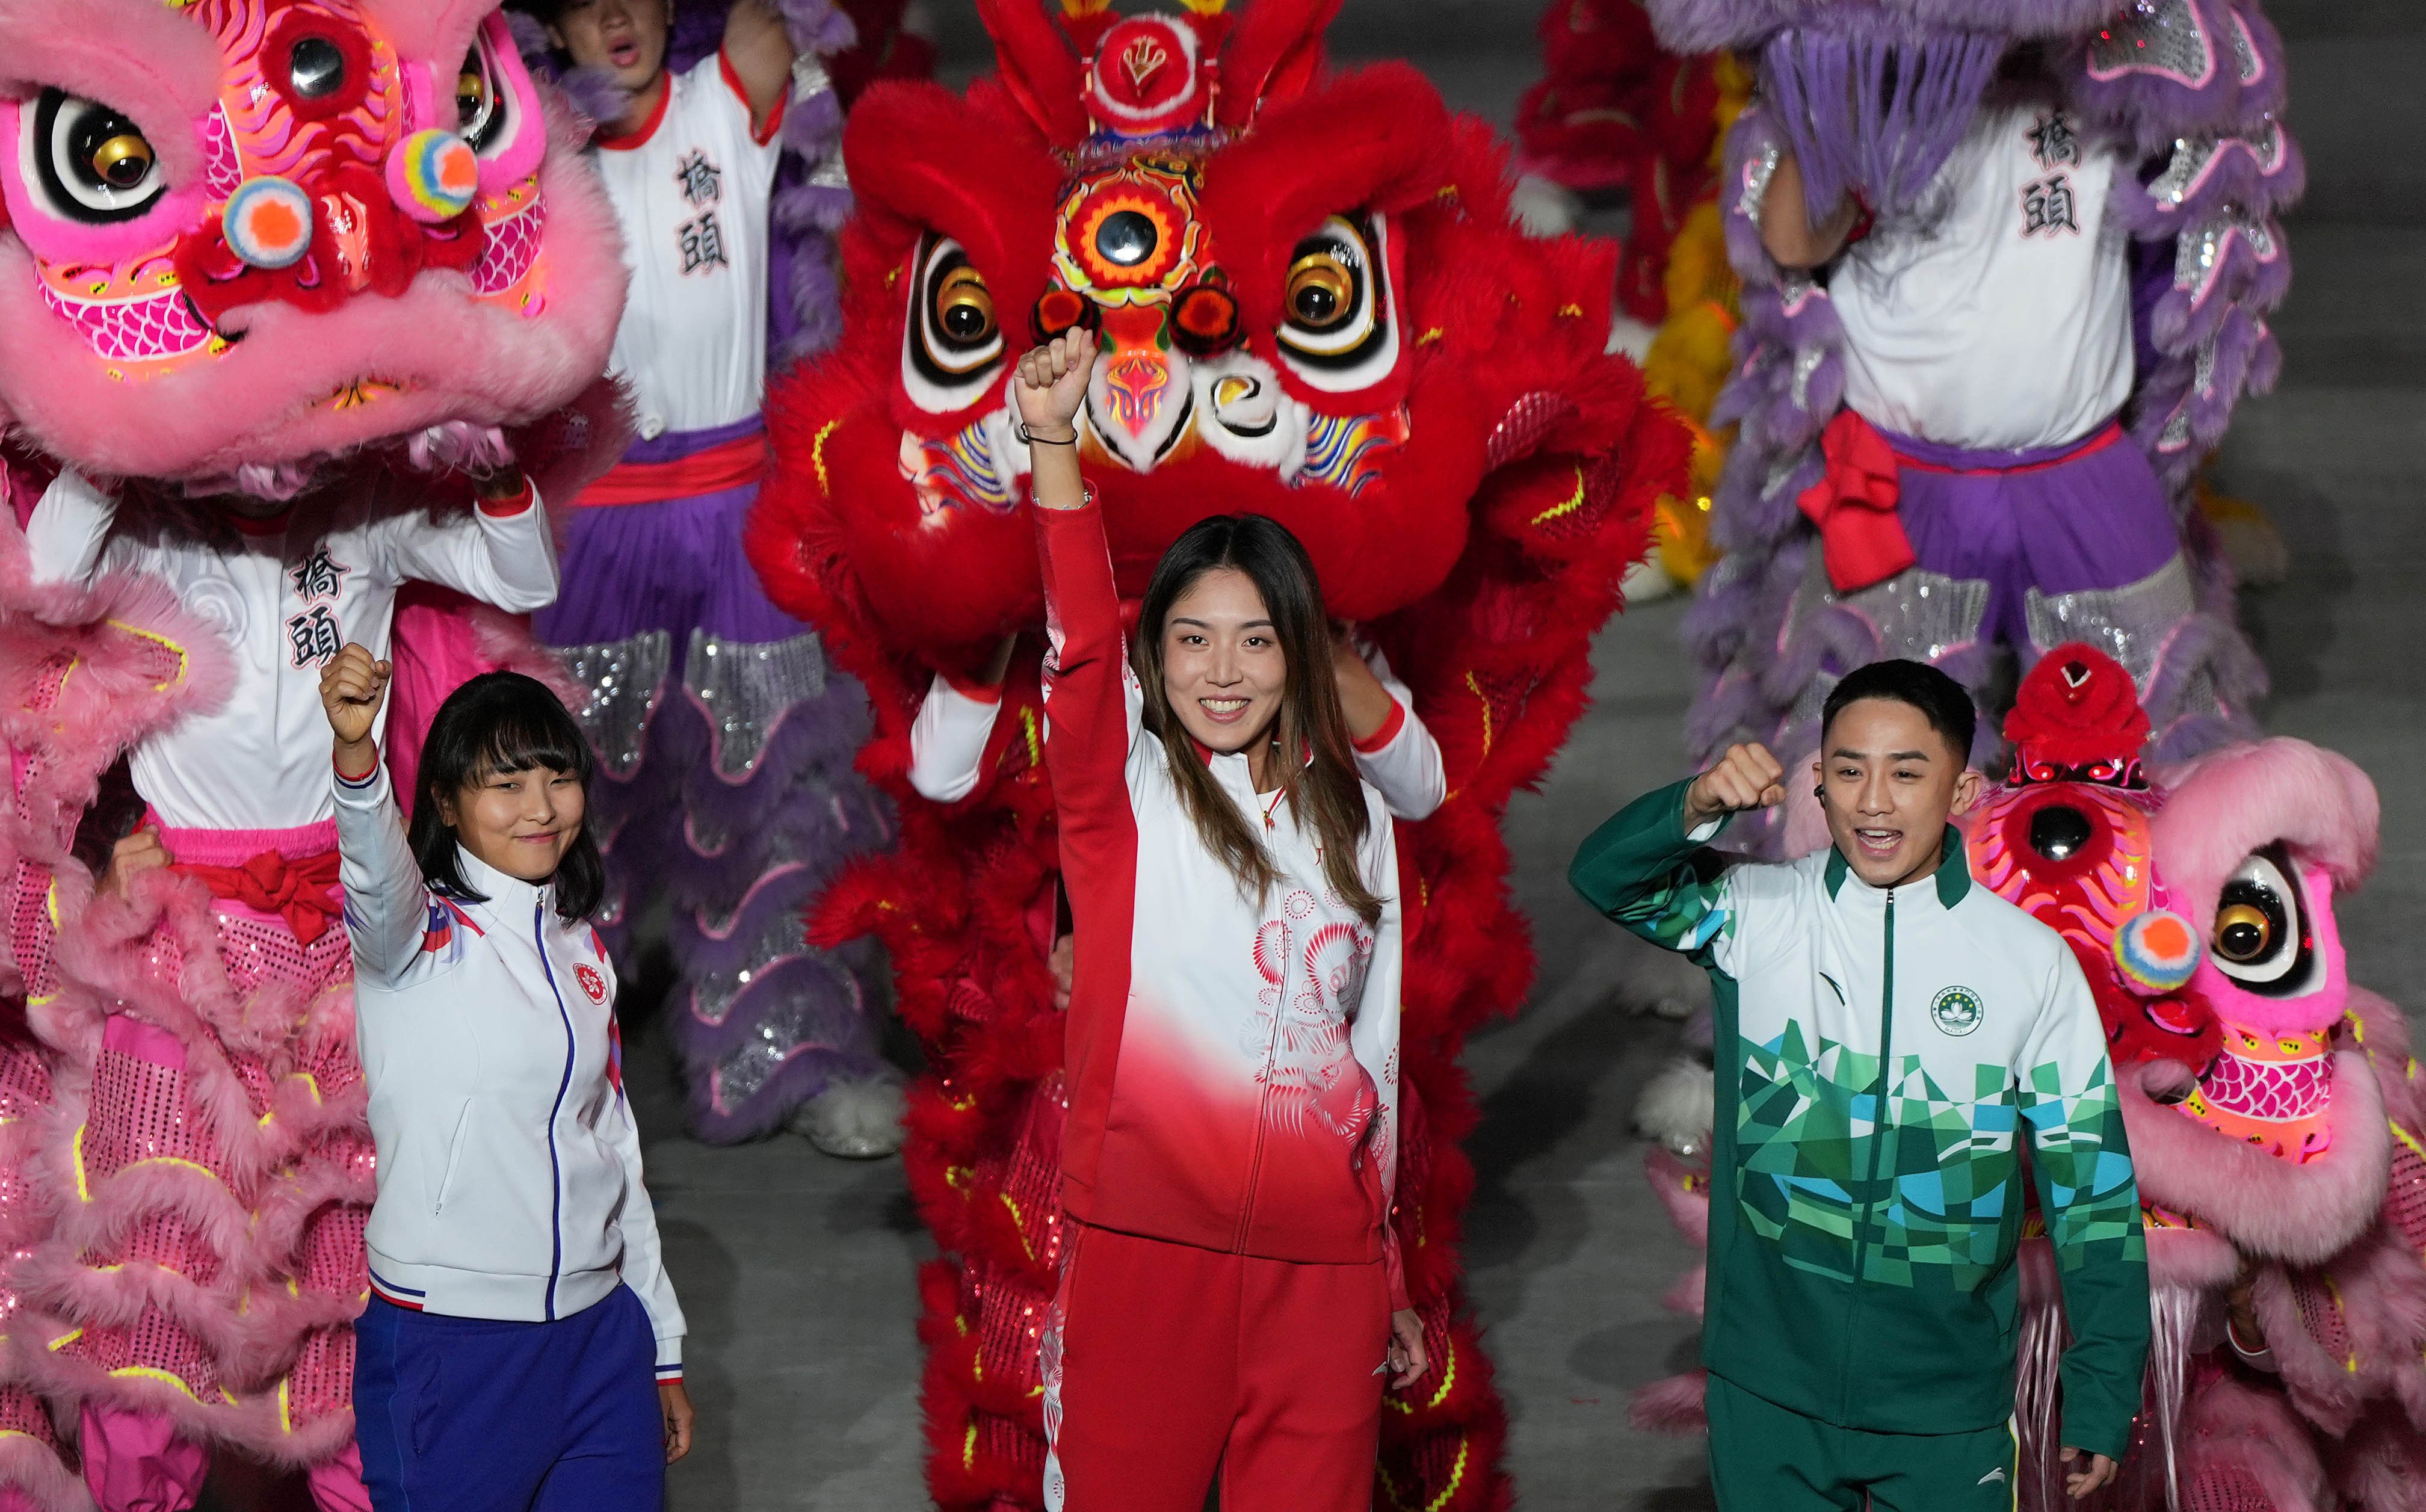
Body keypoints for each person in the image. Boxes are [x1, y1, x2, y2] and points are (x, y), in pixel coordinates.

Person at [25, 464, 557, 1512]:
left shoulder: (370, 506)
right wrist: (109, 429)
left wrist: (493, 463)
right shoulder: (145, 517)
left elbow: (521, 572)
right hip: (180, 953)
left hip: (341, 946)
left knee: (349, 1279)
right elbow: (44, 581)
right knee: (154, 1283)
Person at [1005, 330, 1425, 1511]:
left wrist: (1384, 1270)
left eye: (1256, 640)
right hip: (1145, 1266)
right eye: (1192, 640)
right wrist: (1054, 447)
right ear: (1158, 657)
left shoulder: (1361, 823)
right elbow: (1079, 646)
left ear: (1300, 653)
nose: (1225, 670)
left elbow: (1377, 1067)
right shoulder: (1120, 800)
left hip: (1323, 1284)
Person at [1569, 658, 2150, 1510]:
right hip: (1768, 1391)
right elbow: (1603, 876)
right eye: (1848, 770)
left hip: (1947, 1408)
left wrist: (2101, 1390)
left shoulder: (2030, 964)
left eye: (1907, 772)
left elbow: (2092, 1192)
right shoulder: (1753, 914)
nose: (1874, 801)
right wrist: (1695, 805)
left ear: (1963, 791)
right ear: (1817, 783)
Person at [528, 0, 903, 1152]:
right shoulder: (528, 145)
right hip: (589, 532)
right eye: (582, 2)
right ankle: (539, 1067)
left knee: (768, 805)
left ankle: (787, 1051)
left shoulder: (723, 97)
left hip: (738, 518)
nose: (614, 19)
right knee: (558, 809)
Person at [321, 647, 693, 1511]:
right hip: (453, 1346)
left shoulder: (583, 948)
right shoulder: (414, 941)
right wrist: (356, 757)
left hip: (602, 1343)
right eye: (506, 784)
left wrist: (661, 1344)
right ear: (447, 803)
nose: (540, 808)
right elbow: (375, 874)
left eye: (557, 778)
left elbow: (614, 1152)